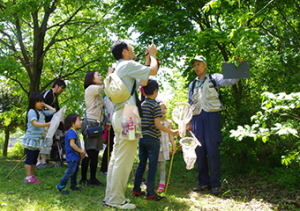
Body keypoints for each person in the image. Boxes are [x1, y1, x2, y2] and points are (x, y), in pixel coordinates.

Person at [104, 40, 159, 210]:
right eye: (130, 47)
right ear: (124, 52)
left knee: (116, 158)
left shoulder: (120, 67)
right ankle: (115, 200)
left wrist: (148, 59)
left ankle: (111, 197)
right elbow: (153, 71)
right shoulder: (127, 65)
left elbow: (143, 81)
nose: (133, 48)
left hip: (120, 113)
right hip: (129, 114)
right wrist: (154, 56)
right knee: (124, 160)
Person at [186, 55, 239, 195]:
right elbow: (189, 105)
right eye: (194, 65)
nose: (196, 67)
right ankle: (203, 183)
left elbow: (231, 80)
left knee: (213, 151)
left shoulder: (214, 78)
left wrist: (237, 66)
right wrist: (188, 122)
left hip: (212, 117)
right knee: (199, 151)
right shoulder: (192, 84)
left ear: (205, 65)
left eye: (198, 64)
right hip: (197, 119)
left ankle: (215, 184)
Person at [132, 79, 179, 201]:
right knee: (152, 166)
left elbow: (138, 123)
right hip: (153, 139)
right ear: (155, 91)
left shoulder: (141, 105)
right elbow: (158, 124)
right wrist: (172, 132)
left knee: (141, 164)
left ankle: (136, 190)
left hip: (142, 139)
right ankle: (151, 194)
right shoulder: (155, 106)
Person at [80, 70, 108, 187]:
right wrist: (109, 75)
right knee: (89, 152)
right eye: (98, 75)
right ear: (91, 78)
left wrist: (105, 121)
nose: (100, 76)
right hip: (90, 124)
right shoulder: (91, 88)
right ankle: (83, 179)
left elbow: (104, 107)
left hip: (97, 124)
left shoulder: (99, 95)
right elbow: (106, 86)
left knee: (96, 153)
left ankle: (92, 178)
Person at [21, 92, 56, 184]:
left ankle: (31, 176)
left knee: (34, 159)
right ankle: (28, 177)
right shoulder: (32, 112)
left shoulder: (41, 112)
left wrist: (44, 104)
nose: (41, 103)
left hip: (38, 140)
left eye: (42, 101)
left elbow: (53, 111)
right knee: (29, 159)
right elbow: (35, 123)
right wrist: (47, 124)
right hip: (32, 140)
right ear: (33, 102)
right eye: (39, 101)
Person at [37, 79, 66, 169]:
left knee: (49, 141)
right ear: (56, 85)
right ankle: (37, 161)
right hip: (43, 122)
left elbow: (57, 111)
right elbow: (40, 104)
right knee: (40, 141)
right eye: (61, 88)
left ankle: (43, 161)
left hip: (51, 124)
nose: (62, 90)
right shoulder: (48, 93)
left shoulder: (55, 97)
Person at [57, 114, 86, 194]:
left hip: (75, 156)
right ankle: (61, 185)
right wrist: (80, 151)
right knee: (71, 171)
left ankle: (73, 185)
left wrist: (80, 154)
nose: (80, 122)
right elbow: (72, 144)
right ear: (72, 122)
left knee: (75, 171)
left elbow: (76, 144)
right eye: (79, 120)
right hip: (72, 157)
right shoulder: (71, 131)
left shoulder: (73, 131)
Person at [156, 102, 175, 193]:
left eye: (164, 108)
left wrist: (173, 146)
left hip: (164, 147)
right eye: (161, 108)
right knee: (153, 165)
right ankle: (150, 182)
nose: (163, 110)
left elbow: (171, 135)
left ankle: (162, 182)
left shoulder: (168, 123)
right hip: (155, 147)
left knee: (162, 166)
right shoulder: (155, 122)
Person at [100, 96, 115, 176]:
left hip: (116, 123)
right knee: (110, 146)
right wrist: (105, 123)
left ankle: (110, 167)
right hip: (111, 124)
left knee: (114, 146)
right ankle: (104, 168)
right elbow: (104, 112)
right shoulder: (107, 98)